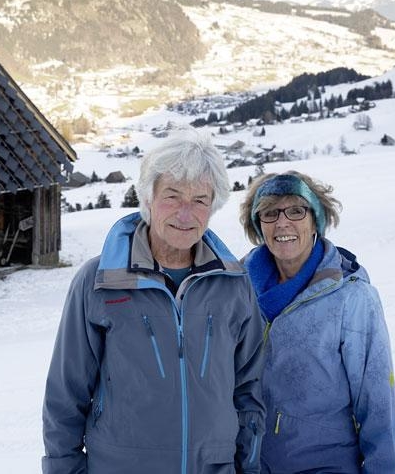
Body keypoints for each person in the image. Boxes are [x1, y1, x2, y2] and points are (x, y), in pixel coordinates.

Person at [42, 127, 265, 473]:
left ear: (213, 206)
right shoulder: (99, 281)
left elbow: (249, 389)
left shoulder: (234, 285)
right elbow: (65, 396)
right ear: (148, 199)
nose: (186, 214)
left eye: (200, 200)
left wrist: (247, 464)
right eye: (173, 196)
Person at [240, 171, 395, 473]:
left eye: (296, 210)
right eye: (270, 213)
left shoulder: (351, 298)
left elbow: (379, 406)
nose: (282, 222)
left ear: (316, 219)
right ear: (258, 225)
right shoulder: (235, 290)